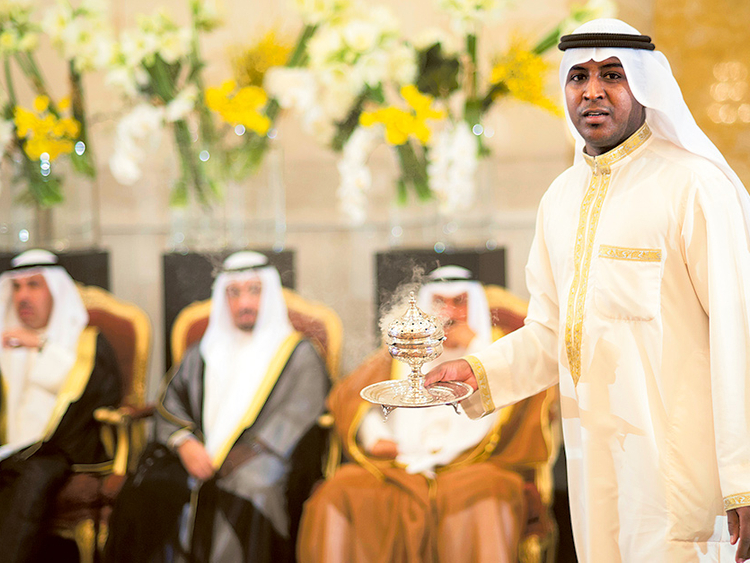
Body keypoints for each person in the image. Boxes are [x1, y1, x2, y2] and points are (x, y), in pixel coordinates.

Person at [425, 18, 750, 563]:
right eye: (578, 76)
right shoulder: (560, 198)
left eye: (613, 75)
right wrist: (479, 371)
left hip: (681, 470)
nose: (592, 90)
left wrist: (743, 475)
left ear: (644, 86)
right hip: (594, 462)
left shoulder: (693, 187)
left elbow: (740, 336)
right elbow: (553, 330)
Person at [298, 266, 556, 563]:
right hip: (400, 464)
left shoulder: (499, 350)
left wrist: (474, 347)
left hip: (475, 465)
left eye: (460, 302)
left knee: (487, 497)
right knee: (337, 492)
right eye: (439, 303)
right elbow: (354, 397)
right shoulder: (407, 349)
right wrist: (375, 437)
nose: (449, 313)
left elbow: (520, 402)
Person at [105, 251, 329, 563]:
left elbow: (298, 413)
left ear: (270, 294)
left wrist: (245, 453)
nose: (244, 303)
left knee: (250, 486)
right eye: (234, 293)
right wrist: (185, 443)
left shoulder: (299, 353)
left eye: (254, 291)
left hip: (267, 457)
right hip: (201, 455)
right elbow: (171, 402)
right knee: (150, 487)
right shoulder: (204, 351)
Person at [0, 249, 122, 563]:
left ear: (56, 291)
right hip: (10, 450)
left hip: (62, 452)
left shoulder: (88, 341)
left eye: (34, 285)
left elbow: (101, 392)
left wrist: (41, 346)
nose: (23, 296)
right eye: (17, 287)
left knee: (34, 473)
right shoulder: (5, 342)